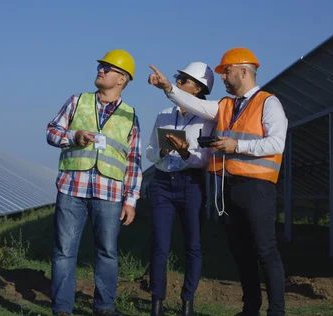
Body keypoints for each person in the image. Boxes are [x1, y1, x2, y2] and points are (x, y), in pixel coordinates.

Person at [148, 47, 288, 316]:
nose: (222, 78)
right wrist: (168, 87)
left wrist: (237, 146)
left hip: (257, 188)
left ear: (244, 72)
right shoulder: (225, 106)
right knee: (242, 252)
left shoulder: (268, 102)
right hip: (229, 188)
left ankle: (277, 312)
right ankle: (250, 309)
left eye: (227, 72)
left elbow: (277, 142)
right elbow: (197, 104)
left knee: (265, 251)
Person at [46, 49, 142, 316]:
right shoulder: (77, 101)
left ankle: (104, 308)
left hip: (109, 192)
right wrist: (74, 135)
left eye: (107, 68)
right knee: (64, 251)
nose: (100, 70)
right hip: (72, 188)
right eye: (101, 66)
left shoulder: (130, 116)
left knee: (107, 252)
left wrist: (131, 200)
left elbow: (133, 160)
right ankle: (62, 309)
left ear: (122, 79)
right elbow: (52, 131)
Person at [145, 62, 216, 316]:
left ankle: (187, 302)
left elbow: (206, 158)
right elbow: (150, 151)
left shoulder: (208, 119)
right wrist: (162, 151)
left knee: (193, 245)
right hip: (163, 183)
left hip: (191, 183)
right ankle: (157, 303)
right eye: (179, 79)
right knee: (159, 245)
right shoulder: (164, 114)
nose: (179, 83)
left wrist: (186, 152)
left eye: (184, 81)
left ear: (197, 89)